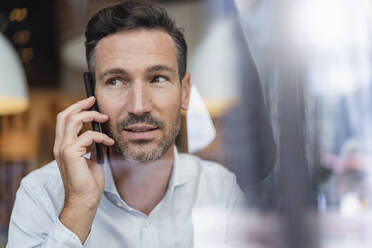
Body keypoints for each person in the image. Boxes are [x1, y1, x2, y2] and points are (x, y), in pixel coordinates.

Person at [6, 1, 246, 247]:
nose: (139, 106)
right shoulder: (40, 193)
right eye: (116, 81)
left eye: (158, 79)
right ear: (92, 96)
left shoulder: (219, 189)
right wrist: (79, 206)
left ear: (185, 92)